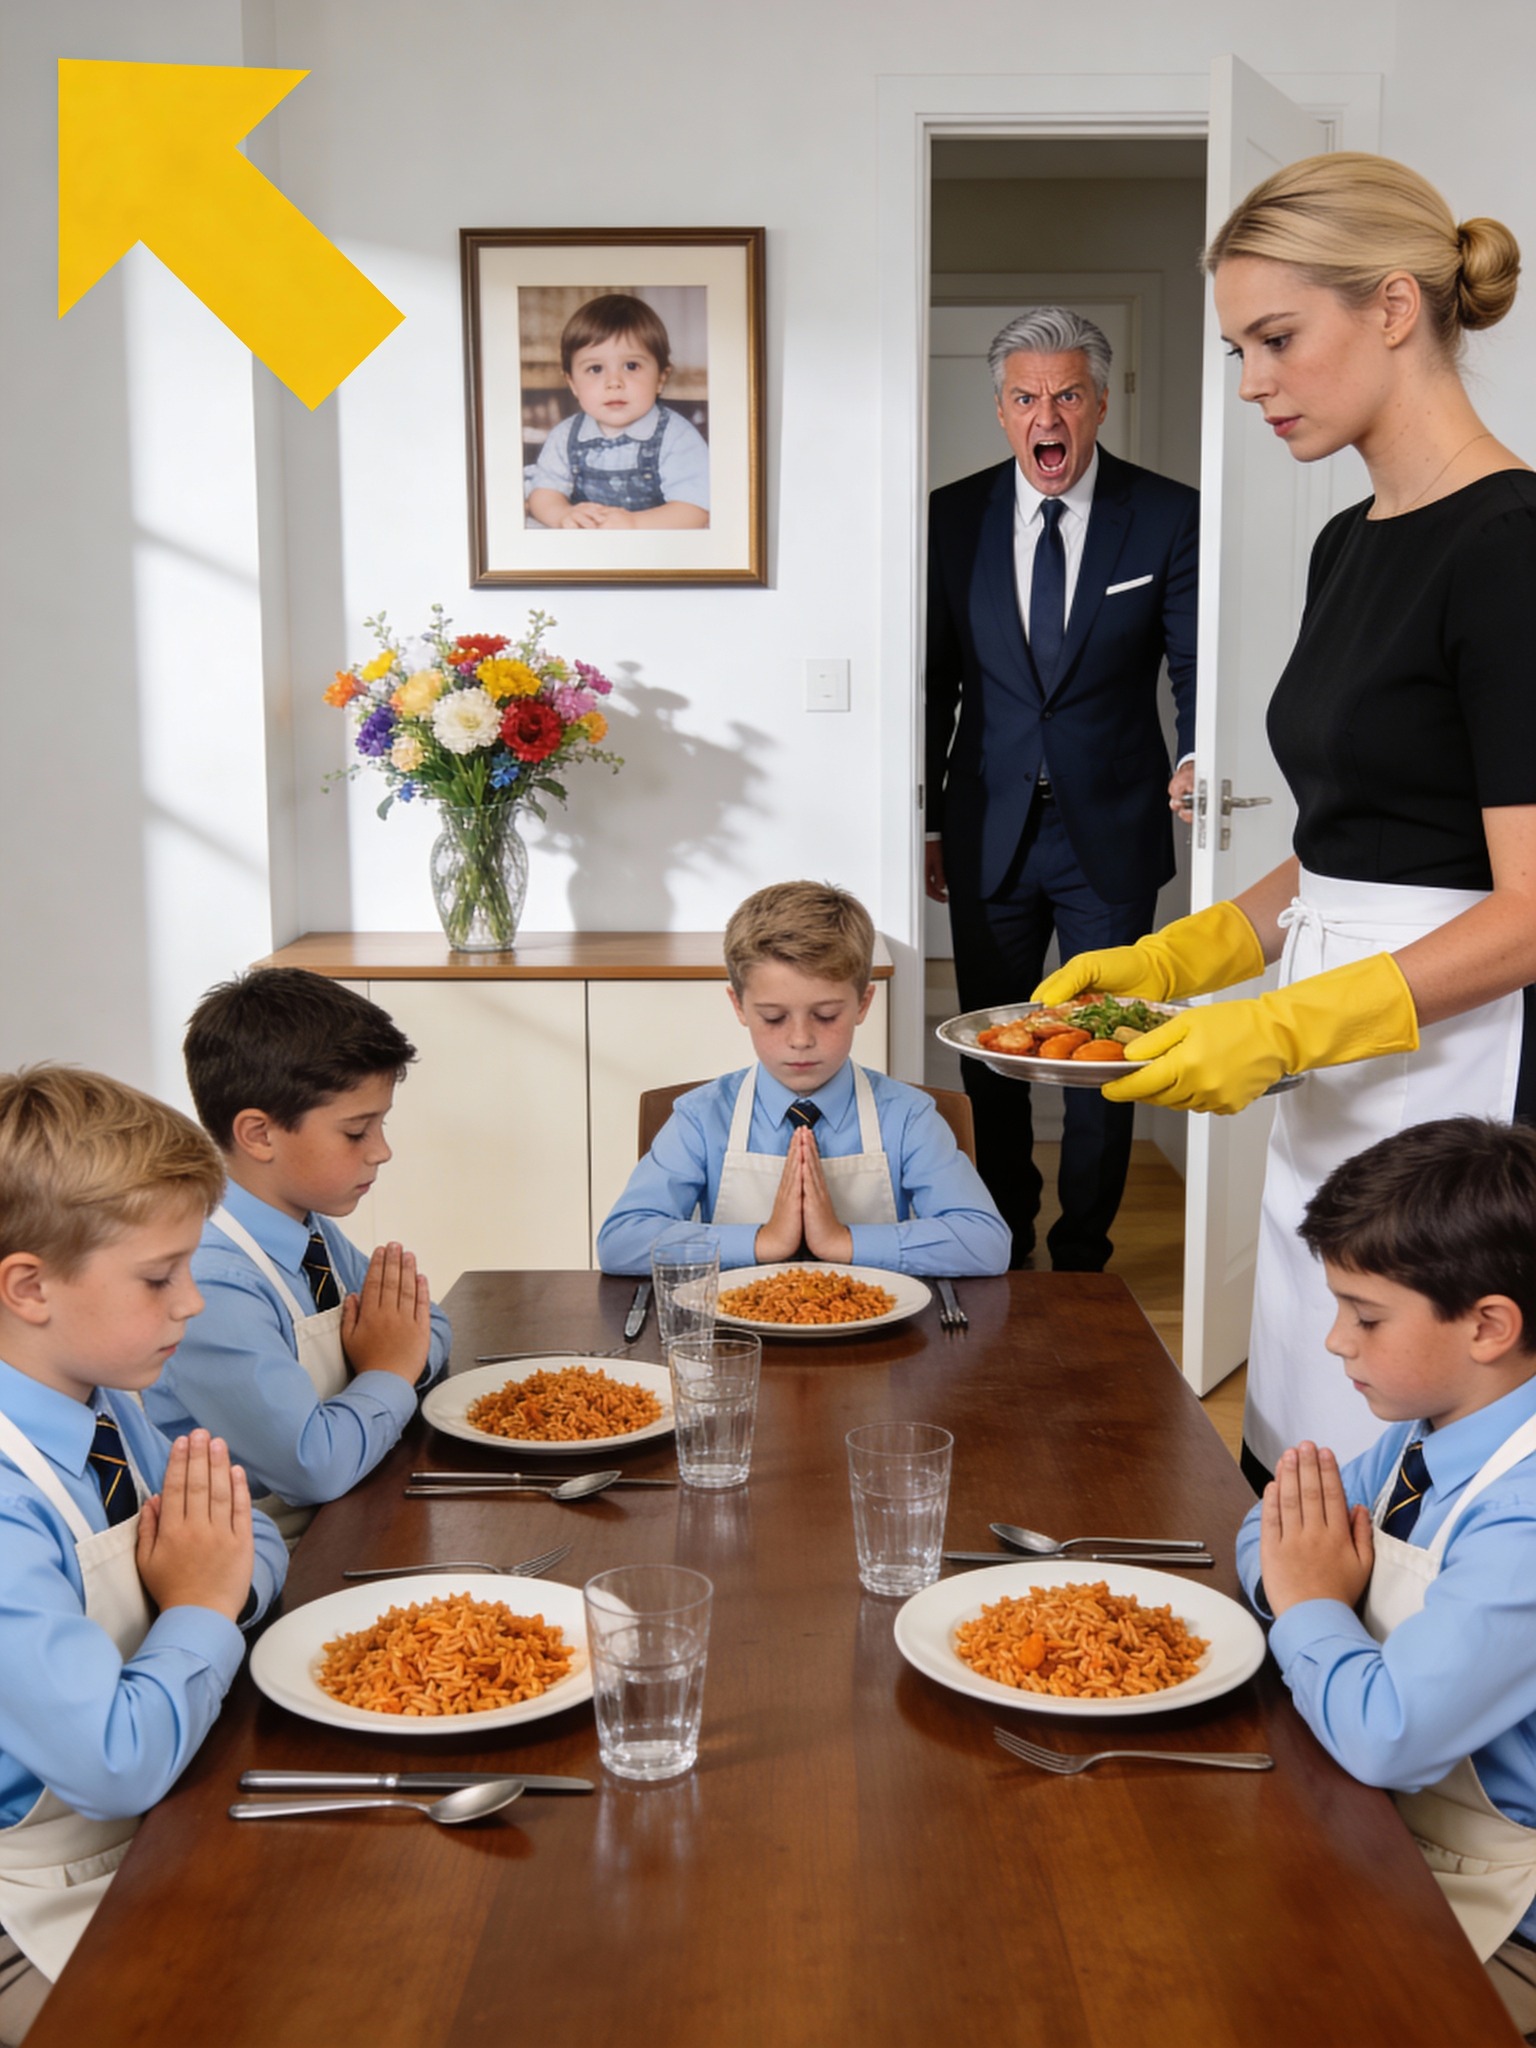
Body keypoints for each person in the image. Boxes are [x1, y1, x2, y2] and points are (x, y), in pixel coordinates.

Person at [1037, 154, 1536, 1483]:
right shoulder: (1350, 541)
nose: (1253, 382)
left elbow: (1531, 913)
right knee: (1303, 1420)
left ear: (1394, 305)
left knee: (1410, 1456)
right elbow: (1350, 838)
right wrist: (1180, 958)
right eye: (1237, 349)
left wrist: (1280, 1026)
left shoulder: (1512, 545)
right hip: (1337, 1045)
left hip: (1459, 1059)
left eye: (1276, 339)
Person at [0, 1066, 286, 2041]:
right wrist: (201, 1603)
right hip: (35, 1901)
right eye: (160, 1277)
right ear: (30, 1287)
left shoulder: (104, 1399)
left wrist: (211, 1585)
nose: (192, 1302)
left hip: (162, 1806)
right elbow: (115, 1764)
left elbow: (252, 1536)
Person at [1236, 1117, 1536, 2038]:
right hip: (1388, 1822)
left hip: (1501, 1907)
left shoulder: (1524, 1515)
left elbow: (1386, 1736)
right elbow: (1271, 1528)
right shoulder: (1433, 1423)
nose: (1337, 1342)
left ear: (1487, 1325)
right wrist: (1303, 1586)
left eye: (1365, 1317)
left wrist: (1313, 1601)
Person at [925, 306, 1198, 1272]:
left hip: (1110, 833)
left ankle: (1084, 1253)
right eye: (1026, 398)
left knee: (1105, 1051)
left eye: (1068, 395)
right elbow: (936, 683)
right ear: (1002, 411)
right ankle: (1003, 1236)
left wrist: (1198, 755)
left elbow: (1193, 662)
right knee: (995, 1047)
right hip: (987, 829)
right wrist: (928, 821)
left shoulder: (1166, 514)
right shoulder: (950, 516)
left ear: (1101, 404)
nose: (1048, 416)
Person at [145, 969, 451, 1547]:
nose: (382, 1151)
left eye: (381, 1124)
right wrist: (388, 1370)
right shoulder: (211, 1282)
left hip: (355, 1511)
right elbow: (315, 1466)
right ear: (259, 1134)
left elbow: (428, 1325)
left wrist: (395, 1359)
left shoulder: (306, 1227)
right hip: (278, 1555)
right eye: (357, 1132)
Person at [597, 881, 1010, 1277]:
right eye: (774, 1017)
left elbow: (986, 1243)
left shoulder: (907, 1117)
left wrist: (843, 1241)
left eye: (826, 1015)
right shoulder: (702, 1117)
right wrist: (763, 1241)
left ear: (863, 1003)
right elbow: (620, 1242)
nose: (800, 1040)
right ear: (739, 1006)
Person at [525, 292, 710, 531]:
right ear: (572, 383)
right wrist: (563, 514)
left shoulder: (677, 436)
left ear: (660, 378)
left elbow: (695, 509)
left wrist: (634, 523)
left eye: (631, 366)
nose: (614, 382)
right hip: (586, 544)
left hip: (655, 545)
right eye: (595, 368)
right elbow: (543, 494)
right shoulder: (564, 436)